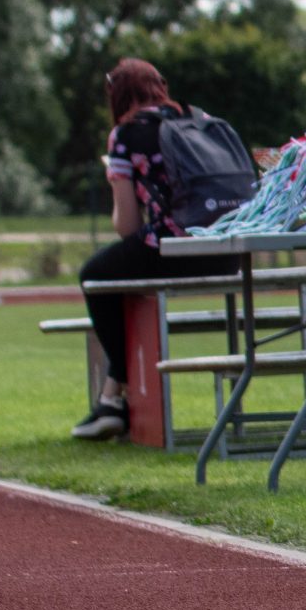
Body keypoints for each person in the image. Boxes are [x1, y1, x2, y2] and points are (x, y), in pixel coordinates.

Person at [72, 58, 243, 441]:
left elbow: (127, 226)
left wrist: (116, 180)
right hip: (230, 251)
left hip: (175, 250)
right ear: (161, 88)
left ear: (116, 97)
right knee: (121, 275)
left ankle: (115, 395)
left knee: (95, 275)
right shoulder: (202, 121)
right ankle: (111, 397)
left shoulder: (125, 136)